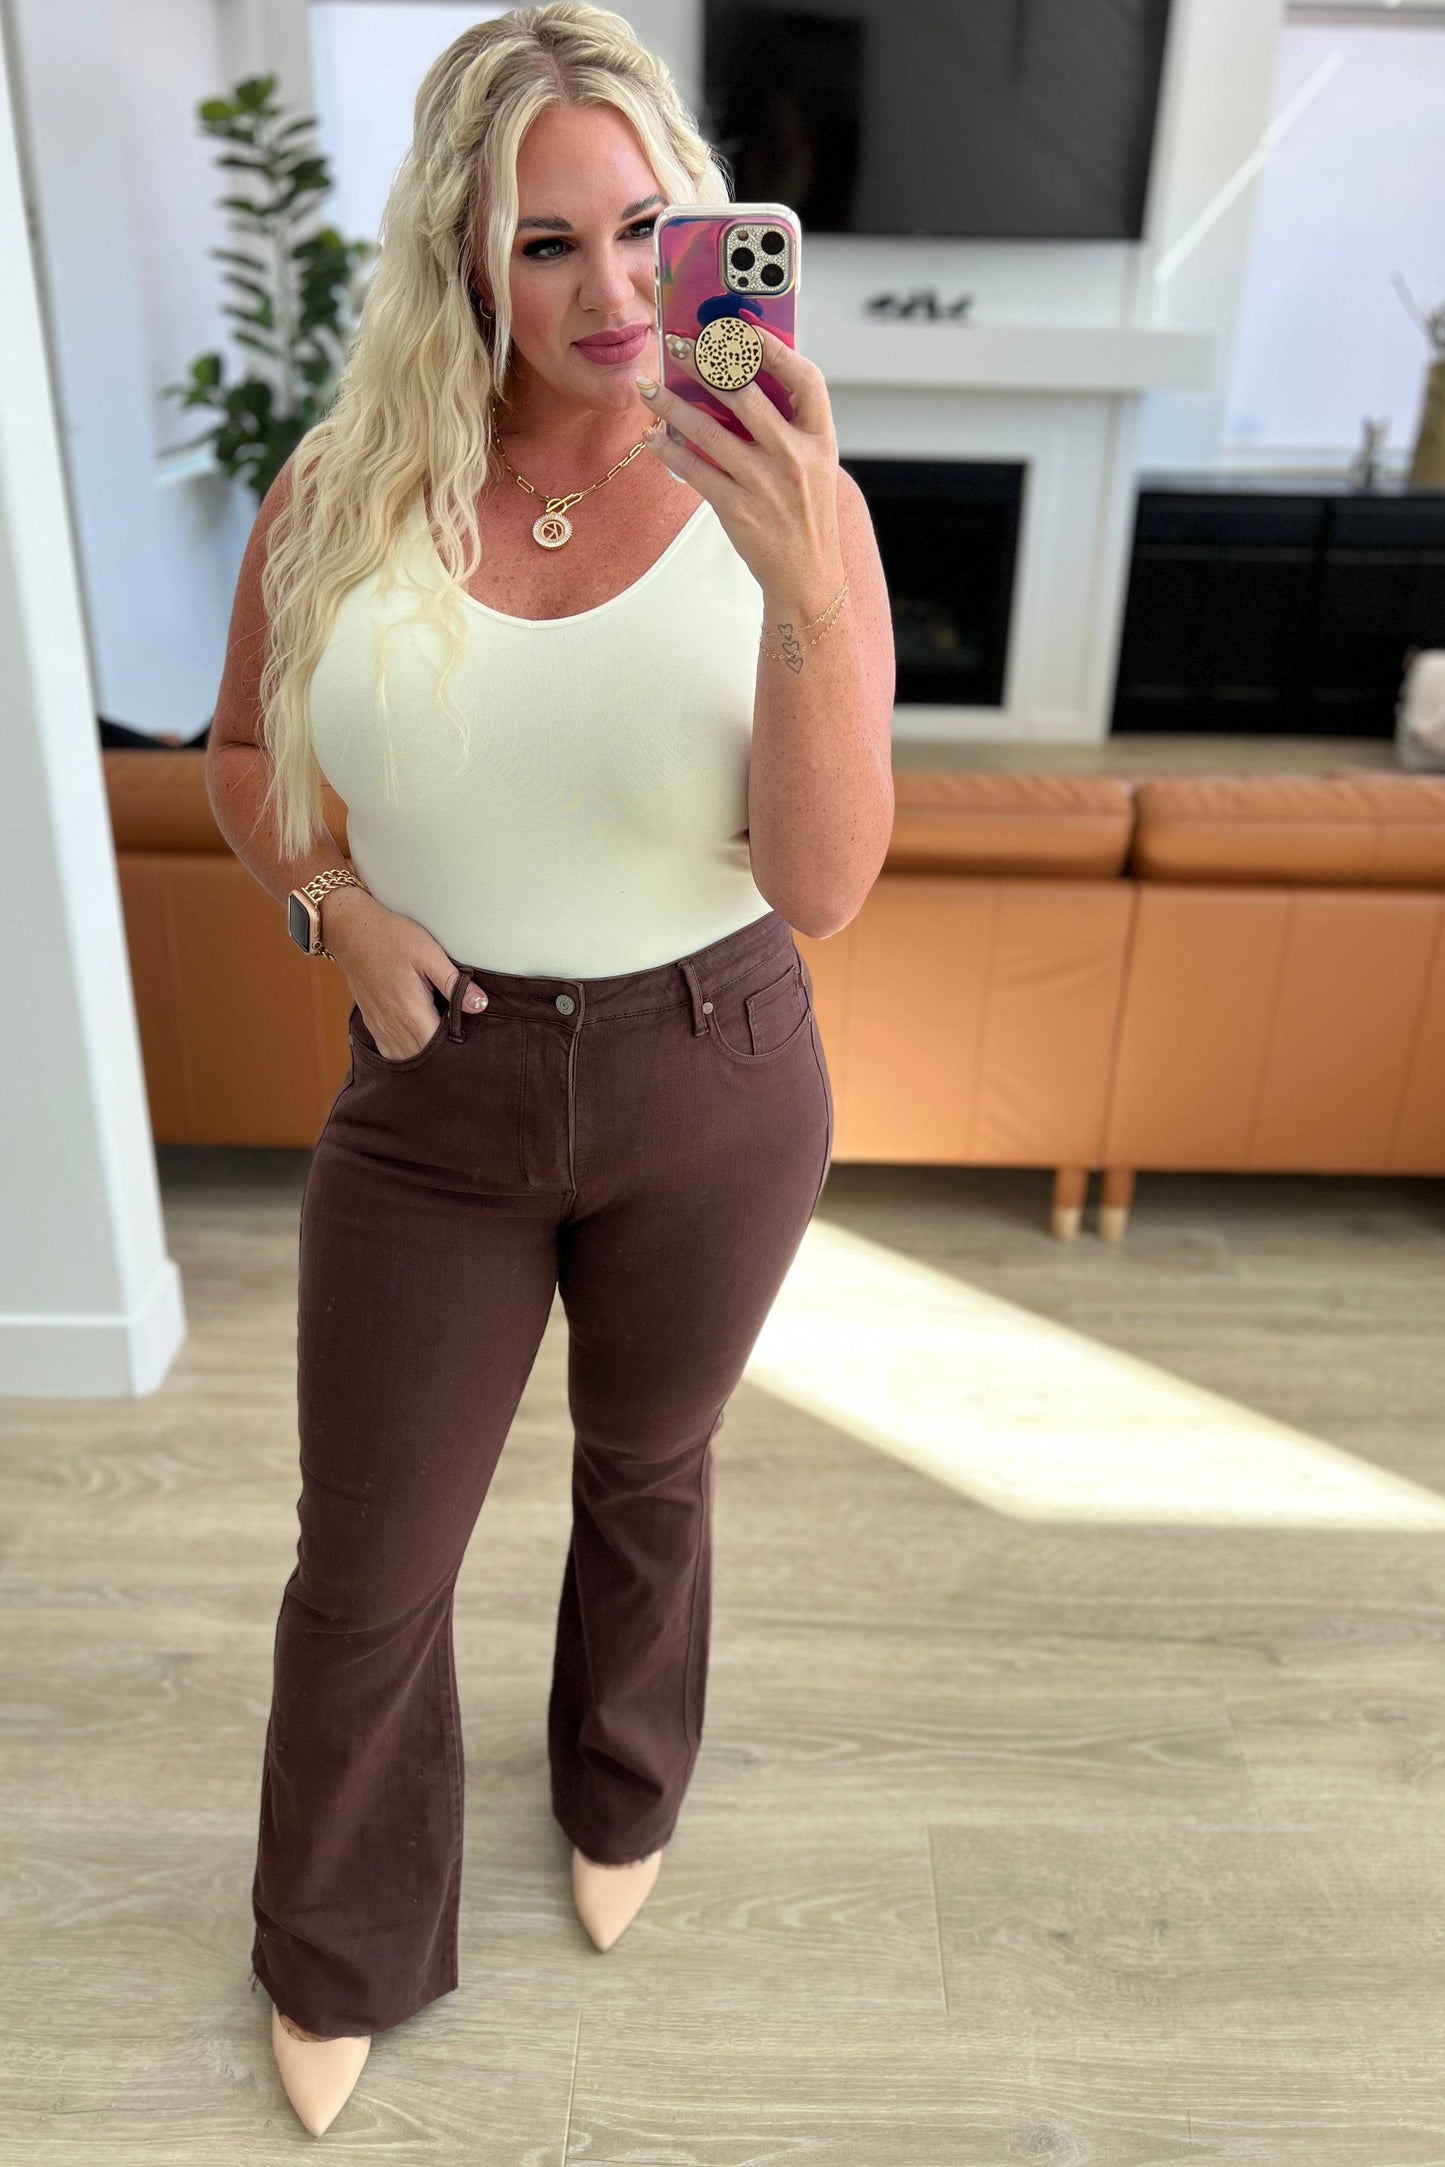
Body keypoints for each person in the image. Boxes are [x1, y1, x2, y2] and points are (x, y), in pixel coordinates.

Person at [206, 1, 894, 2136]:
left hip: (716, 1068)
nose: (613, 292)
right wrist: (335, 907)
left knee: (649, 1467)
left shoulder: (792, 497)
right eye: (545, 242)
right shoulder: (340, 491)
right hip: (435, 1086)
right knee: (366, 1560)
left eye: (644, 228)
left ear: (704, 227)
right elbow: (243, 761)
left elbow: (824, 881)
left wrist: (801, 592)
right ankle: (339, 1943)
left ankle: (621, 1781)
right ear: (464, 258)